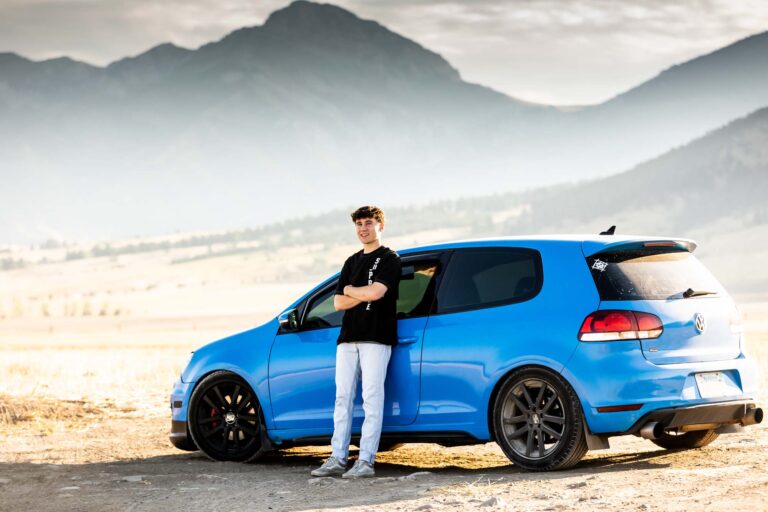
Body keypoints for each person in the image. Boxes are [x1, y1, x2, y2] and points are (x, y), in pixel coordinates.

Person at [311, 205, 401, 479]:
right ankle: (338, 458)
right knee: (342, 398)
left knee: (372, 398)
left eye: (369, 222)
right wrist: (357, 293)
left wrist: (352, 290)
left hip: (377, 337)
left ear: (380, 226)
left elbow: (377, 292)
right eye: (359, 224)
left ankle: (365, 462)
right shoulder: (351, 262)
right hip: (348, 338)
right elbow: (338, 302)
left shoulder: (390, 259)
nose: (363, 228)